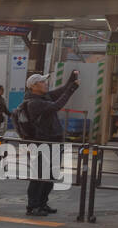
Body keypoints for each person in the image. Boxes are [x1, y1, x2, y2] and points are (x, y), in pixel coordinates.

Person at [16, 71, 79, 217]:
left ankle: (42, 203)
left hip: (54, 141)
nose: (46, 84)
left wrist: (72, 79)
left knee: (51, 175)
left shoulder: (44, 97)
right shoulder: (34, 102)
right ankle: (32, 206)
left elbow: (60, 91)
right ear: (33, 86)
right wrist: (72, 89)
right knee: (39, 176)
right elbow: (57, 105)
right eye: (42, 82)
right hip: (42, 142)